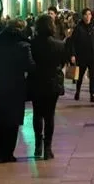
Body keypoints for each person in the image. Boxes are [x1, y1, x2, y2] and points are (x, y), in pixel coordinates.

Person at [0, 19, 35, 163]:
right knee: (12, 122)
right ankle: (8, 153)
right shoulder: (24, 45)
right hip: (15, 86)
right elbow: (30, 66)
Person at [28, 14, 67, 160]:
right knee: (50, 115)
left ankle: (38, 145)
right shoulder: (58, 45)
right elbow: (62, 62)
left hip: (36, 81)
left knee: (37, 113)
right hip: (52, 83)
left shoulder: (31, 44)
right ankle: (48, 148)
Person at [69, 8, 94, 103]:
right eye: (86, 14)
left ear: (91, 16)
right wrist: (73, 55)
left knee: (93, 76)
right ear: (83, 16)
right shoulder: (78, 27)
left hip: (92, 55)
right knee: (80, 76)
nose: (88, 16)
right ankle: (77, 91)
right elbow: (73, 42)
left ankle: (92, 94)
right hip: (82, 56)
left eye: (89, 14)